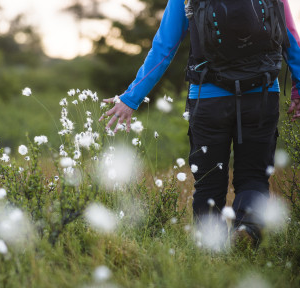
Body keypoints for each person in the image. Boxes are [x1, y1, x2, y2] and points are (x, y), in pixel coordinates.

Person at [99, 0, 300, 245]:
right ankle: (247, 228)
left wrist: (131, 98)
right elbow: (290, 37)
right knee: (254, 175)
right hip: (261, 94)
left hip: (208, 97)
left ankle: (211, 247)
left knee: (208, 181)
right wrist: (298, 89)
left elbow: (164, 47)